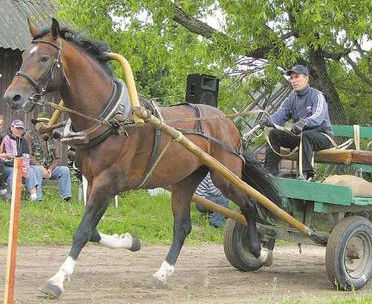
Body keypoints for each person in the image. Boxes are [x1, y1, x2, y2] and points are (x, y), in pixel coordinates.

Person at [262, 64, 333, 180]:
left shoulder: (318, 96)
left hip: (323, 137)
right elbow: (280, 114)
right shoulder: (291, 98)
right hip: (301, 137)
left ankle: (305, 175)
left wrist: (303, 122)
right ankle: (269, 174)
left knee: (306, 136)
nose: (293, 80)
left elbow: (318, 116)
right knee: (274, 134)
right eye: (291, 78)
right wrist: (269, 120)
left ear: (306, 78)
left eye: (297, 77)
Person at [28, 112, 72, 201]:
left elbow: (57, 157)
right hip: (34, 168)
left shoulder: (53, 137)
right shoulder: (29, 135)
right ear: (36, 124)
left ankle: (66, 197)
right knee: (36, 170)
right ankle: (38, 198)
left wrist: (50, 170)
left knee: (64, 170)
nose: (42, 126)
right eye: (40, 123)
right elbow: (29, 156)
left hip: (49, 169)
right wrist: (41, 168)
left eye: (46, 123)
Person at [1, 119, 39, 201]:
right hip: (6, 167)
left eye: (21, 129)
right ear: (12, 127)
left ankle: (34, 196)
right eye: (17, 128)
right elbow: (7, 158)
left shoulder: (23, 140)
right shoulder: (6, 139)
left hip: (19, 165)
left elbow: (26, 156)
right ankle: (14, 197)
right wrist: (20, 168)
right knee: (14, 173)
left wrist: (24, 168)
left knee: (30, 170)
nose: (19, 130)